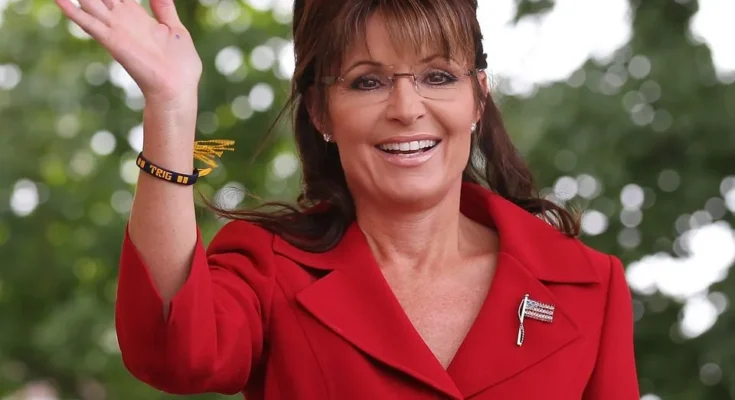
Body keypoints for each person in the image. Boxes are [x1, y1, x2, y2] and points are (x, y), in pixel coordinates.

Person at [56, 0, 640, 398]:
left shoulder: (590, 286)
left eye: (437, 76)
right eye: (368, 81)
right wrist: (171, 105)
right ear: (319, 111)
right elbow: (172, 350)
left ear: (478, 98)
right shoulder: (271, 269)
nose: (406, 109)